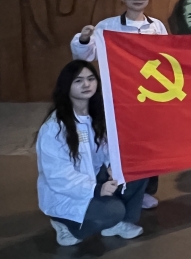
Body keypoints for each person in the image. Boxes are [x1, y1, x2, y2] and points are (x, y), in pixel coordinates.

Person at [70, 0, 165, 209]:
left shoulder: (156, 26)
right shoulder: (108, 26)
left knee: (149, 143)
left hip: (150, 96)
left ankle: (145, 190)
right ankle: (116, 186)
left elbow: (166, 57)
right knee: (117, 142)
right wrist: (84, 39)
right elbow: (85, 56)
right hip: (117, 95)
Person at [37, 61, 148, 246]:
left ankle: (118, 223)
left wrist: (113, 165)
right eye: (78, 81)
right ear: (67, 86)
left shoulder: (99, 115)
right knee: (112, 211)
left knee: (139, 169)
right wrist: (96, 189)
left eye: (90, 79)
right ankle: (66, 225)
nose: (86, 84)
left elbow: (107, 148)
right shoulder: (54, 128)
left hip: (96, 176)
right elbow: (57, 176)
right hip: (69, 191)